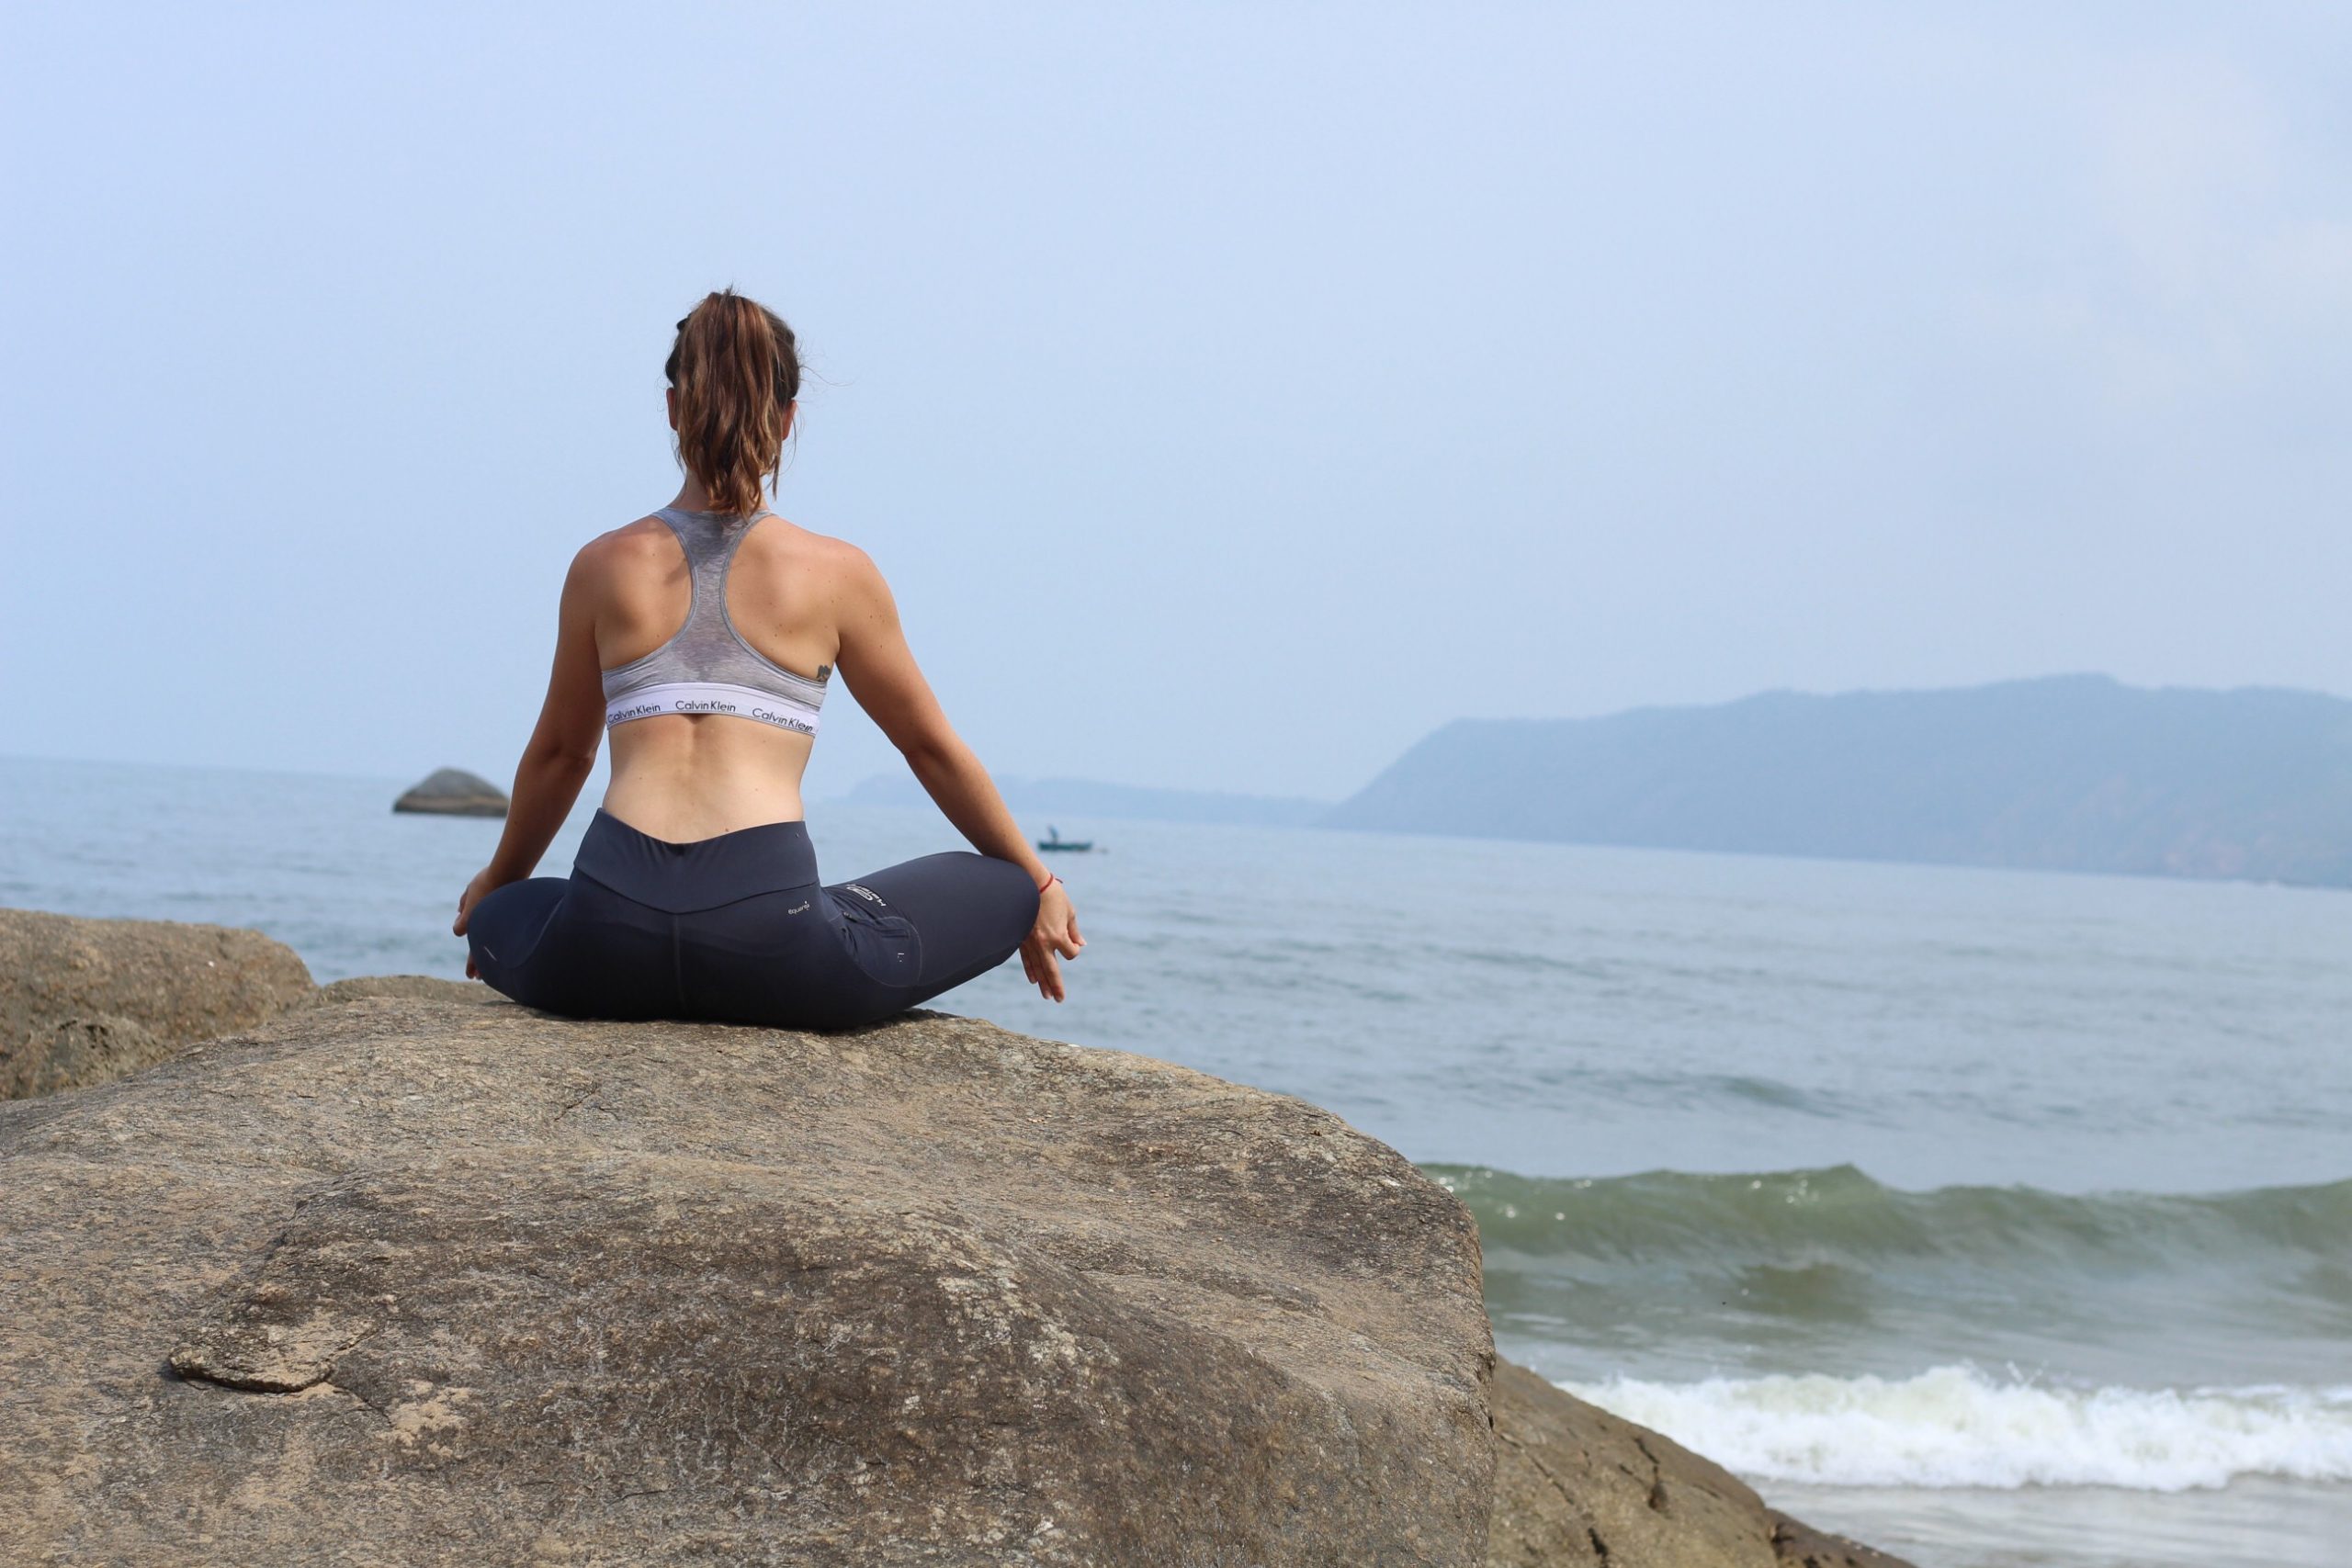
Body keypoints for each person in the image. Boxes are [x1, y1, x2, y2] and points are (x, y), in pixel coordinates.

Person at [454, 288, 1082, 1030]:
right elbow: (927, 747)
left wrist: (497, 883)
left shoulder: (602, 565)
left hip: (608, 938)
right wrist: (1038, 881)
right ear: (787, 419)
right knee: (997, 883)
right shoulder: (837, 572)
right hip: (770, 944)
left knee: (511, 909)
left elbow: (562, 754)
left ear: (672, 408)